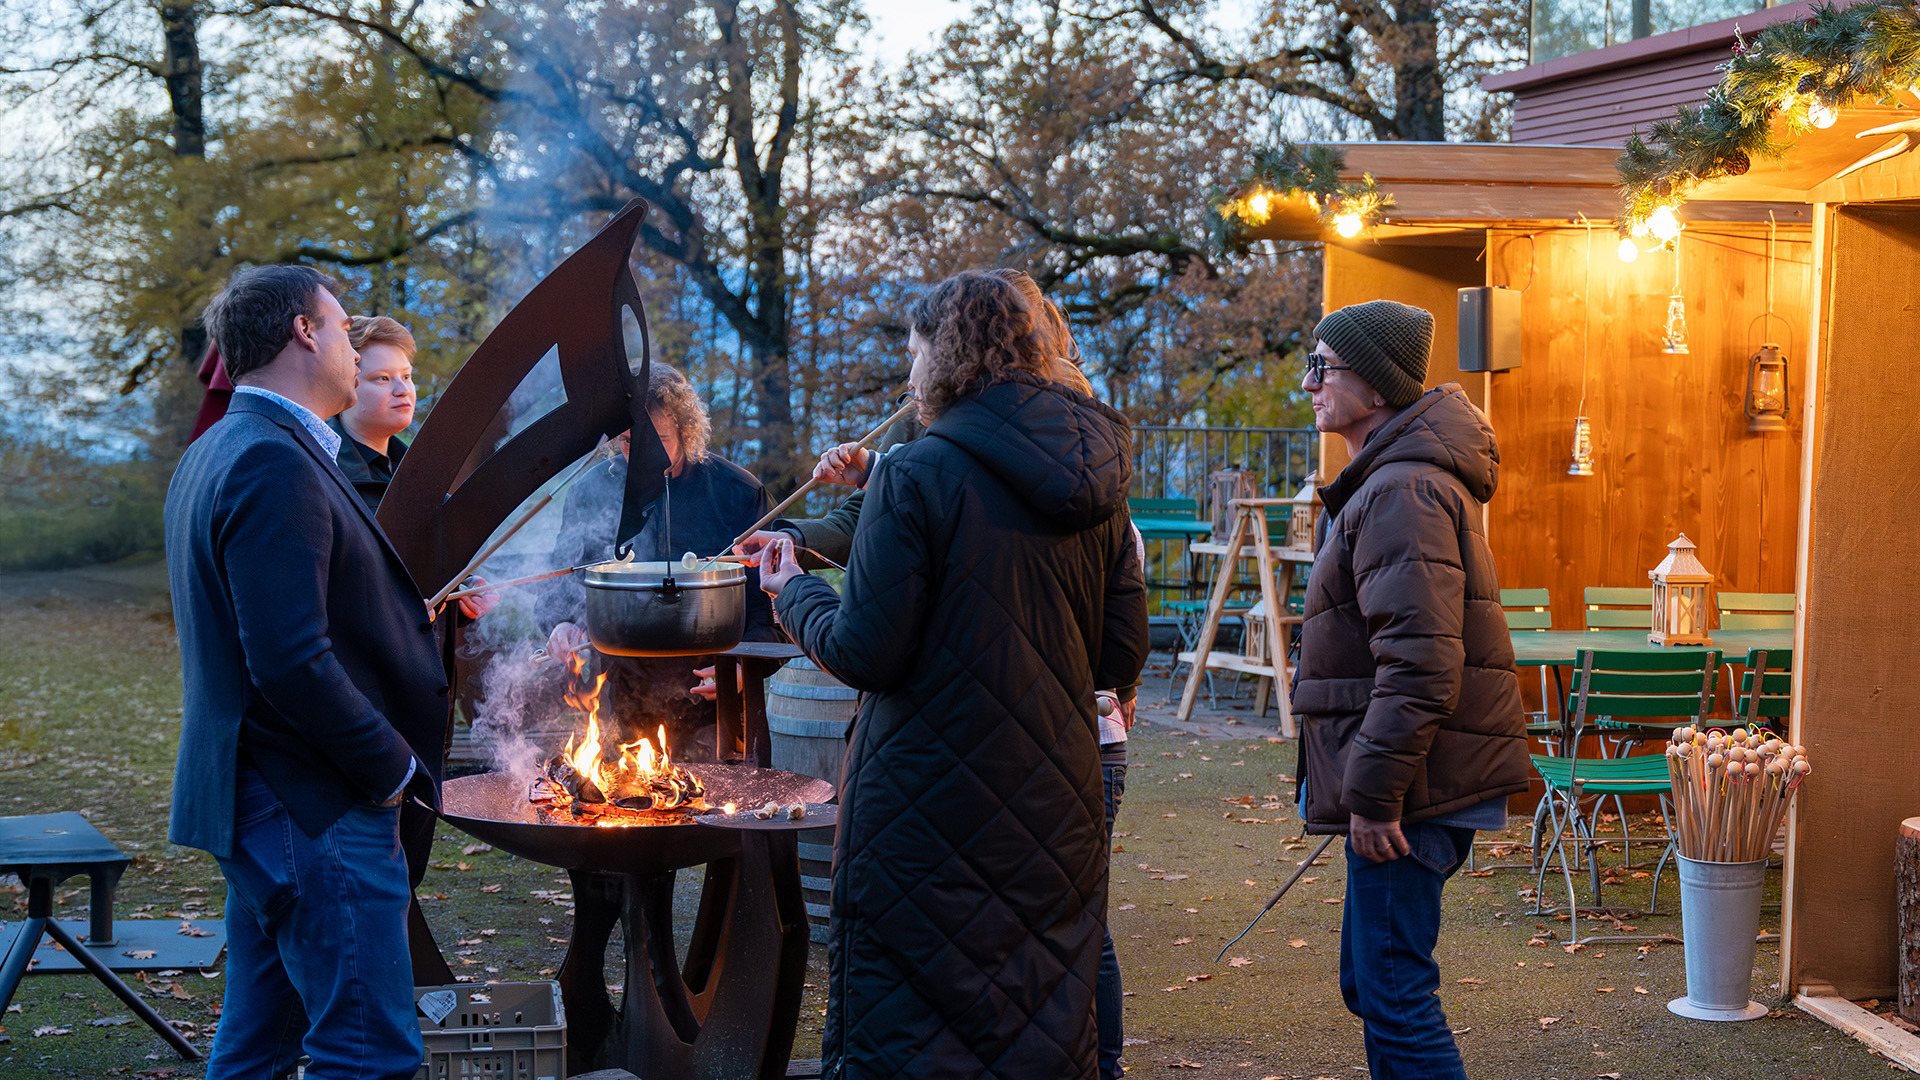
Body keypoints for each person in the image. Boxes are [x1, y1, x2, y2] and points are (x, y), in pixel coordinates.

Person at [758, 270, 1150, 1079]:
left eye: (914, 355)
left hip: (926, 808)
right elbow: (1117, 660)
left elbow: (866, 651)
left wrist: (790, 588)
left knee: (913, 1038)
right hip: (1054, 802)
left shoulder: (915, 474)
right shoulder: (1100, 485)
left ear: (947, 358)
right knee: (1033, 1031)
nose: (908, 377)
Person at [165, 265, 448, 1080]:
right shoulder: (270, 459)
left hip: (263, 801)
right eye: (340, 323)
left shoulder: (223, 447)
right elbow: (289, 658)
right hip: (312, 802)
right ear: (303, 331)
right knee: (368, 1055)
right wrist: (389, 767)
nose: (356, 349)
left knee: (256, 1050)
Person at [1291, 300, 1530, 1080]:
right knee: (1373, 983)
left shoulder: (1401, 493)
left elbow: (1422, 663)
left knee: (1395, 993)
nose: (1310, 383)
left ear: (1377, 385)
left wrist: (1374, 794)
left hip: (1414, 786)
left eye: (1322, 367)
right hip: (1415, 777)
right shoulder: (1391, 482)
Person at [539, 364, 779, 759]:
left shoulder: (737, 492)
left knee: (721, 814)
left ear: (687, 431)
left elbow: (769, 606)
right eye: (632, 442)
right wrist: (560, 623)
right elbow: (562, 580)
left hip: (716, 707)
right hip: (619, 703)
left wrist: (742, 671)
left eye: (659, 439)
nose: (644, 458)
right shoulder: (589, 492)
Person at [328, 315, 419, 514]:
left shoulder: (423, 472)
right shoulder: (322, 472)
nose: (403, 389)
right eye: (383, 378)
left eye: (406, 376)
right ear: (345, 384)